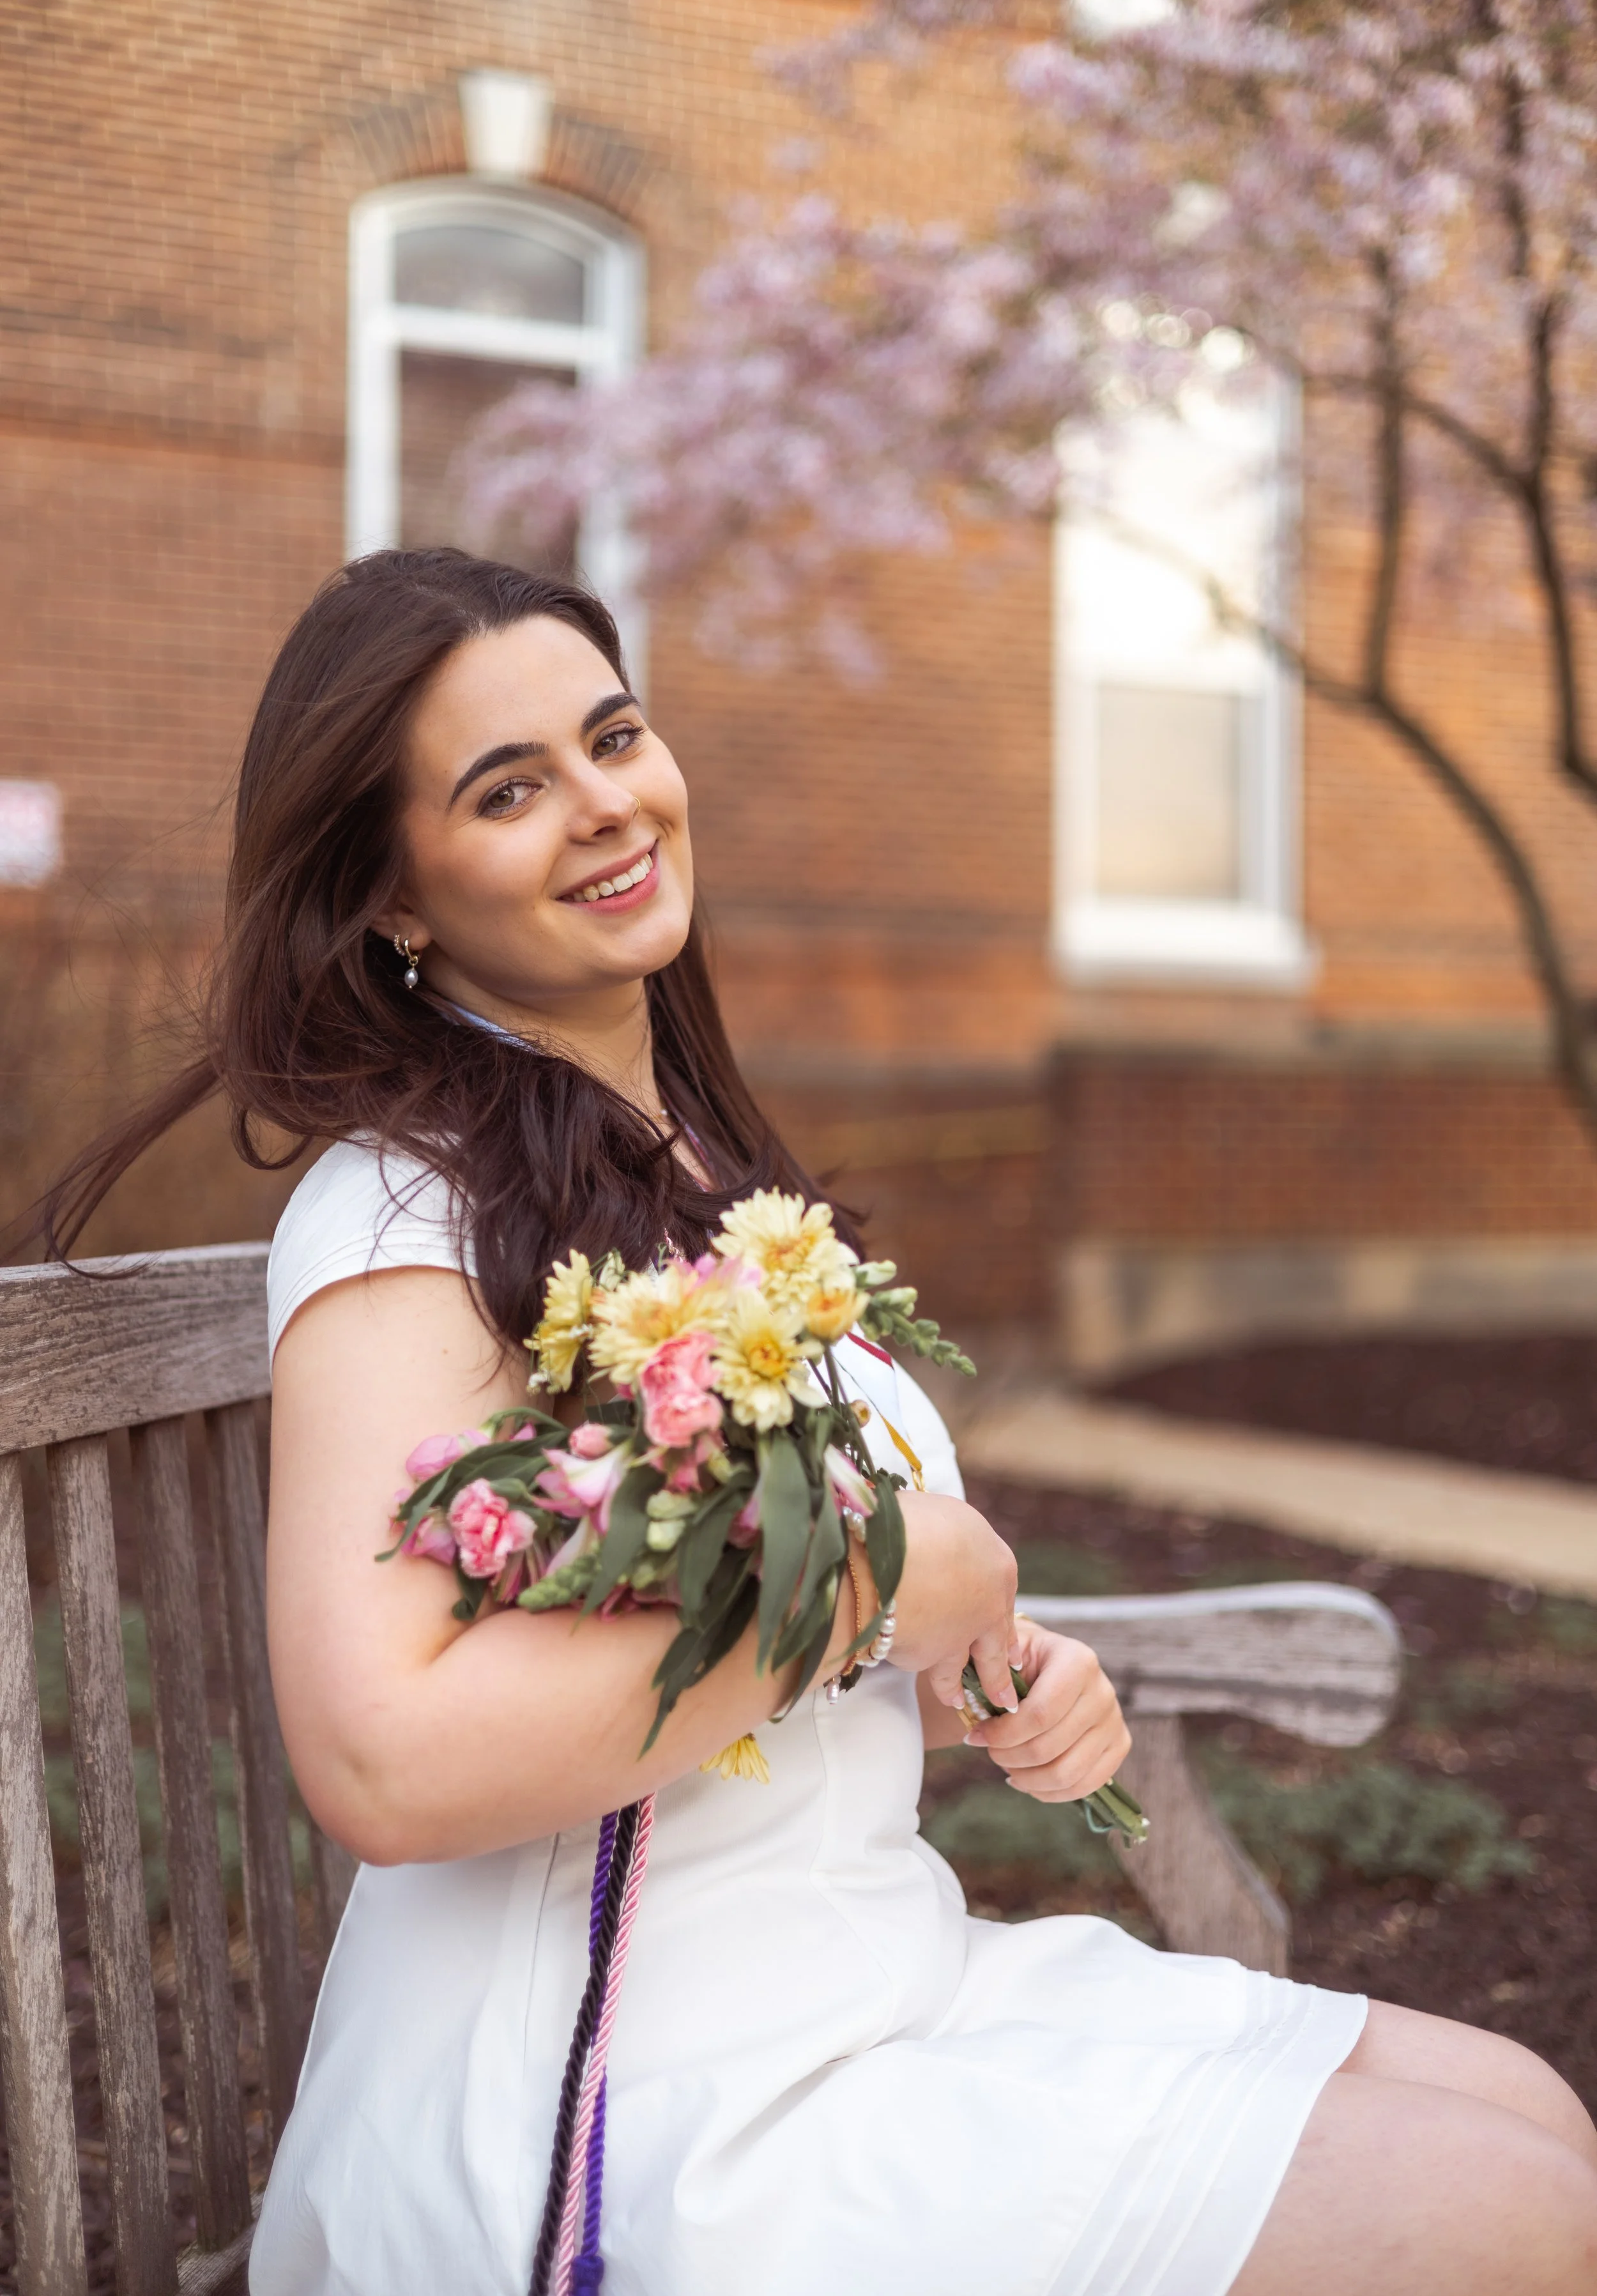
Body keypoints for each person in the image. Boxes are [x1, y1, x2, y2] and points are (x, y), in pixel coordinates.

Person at [47, 549, 1597, 2296]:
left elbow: (705, 1632)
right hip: (635, 2118)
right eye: (506, 789)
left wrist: (968, 1669)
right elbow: (383, 1760)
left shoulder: (686, 1164)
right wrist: (871, 1580)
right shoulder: (408, 1216)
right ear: (392, 896)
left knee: (1529, 2115)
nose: (602, 805)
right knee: (1512, 2212)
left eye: (610, 735)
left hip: (853, 1973)